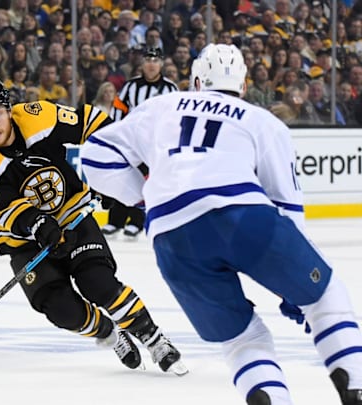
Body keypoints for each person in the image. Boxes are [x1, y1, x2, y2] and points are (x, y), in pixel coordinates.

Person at [80, 44, 362, 405]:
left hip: (172, 240)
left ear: (196, 81)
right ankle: (354, 385)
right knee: (327, 298)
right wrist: (294, 288)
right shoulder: (261, 121)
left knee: (243, 339)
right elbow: (287, 205)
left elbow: (94, 156)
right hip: (241, 216)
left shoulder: (161, 106)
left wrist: (144, 198)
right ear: (243, 87)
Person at [0, 78, 187, 375]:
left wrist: (113, 168)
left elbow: (91, 121)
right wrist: (39, 225)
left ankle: (154, 340)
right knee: (59, 309)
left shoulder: (38, 116)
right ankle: (109, 333)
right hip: (24, 241)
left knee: (99, 284)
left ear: (9, 110)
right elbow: (3, 208)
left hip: (73, 216)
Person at [103, 47, 178, 240]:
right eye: (147, 61)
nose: (151, 65)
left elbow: (176, 116)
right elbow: (118, 110)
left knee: (146, 182)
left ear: (161, 64)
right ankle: (115, 221)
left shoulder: (170, 89)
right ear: (142, 65)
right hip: (131, 141)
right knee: (123, 178)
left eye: (155, 61)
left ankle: (136, 222)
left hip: (156, 144)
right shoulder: (130, 86)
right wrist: (117, 134)